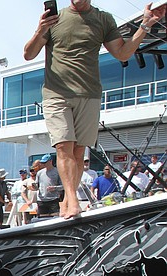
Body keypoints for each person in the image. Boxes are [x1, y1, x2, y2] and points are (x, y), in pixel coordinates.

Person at [23, 0, 166, 219]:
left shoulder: (103, 19)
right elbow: (29, 54)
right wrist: (40, 30)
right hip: (56, 94)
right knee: (64, 146)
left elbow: (122, 53)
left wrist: (145, 25)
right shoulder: (55, 18)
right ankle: (72, 201)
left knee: (79, 151)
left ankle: (66, 201)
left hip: (89, 94)